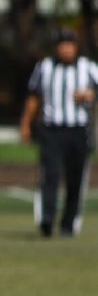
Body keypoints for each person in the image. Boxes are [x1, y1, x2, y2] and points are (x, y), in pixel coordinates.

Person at [20, 29, 98, 236]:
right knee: (50, 175)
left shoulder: (88, 67)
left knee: (75, 178)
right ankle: (47, 219)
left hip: (78, 130)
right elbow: (33, 96)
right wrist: (25, 123)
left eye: (69, 44)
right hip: (52, 129)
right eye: (61, 45)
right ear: (55, 48)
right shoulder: (44, 67)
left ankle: (68, 223)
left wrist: (90, 93)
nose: (66, 49)